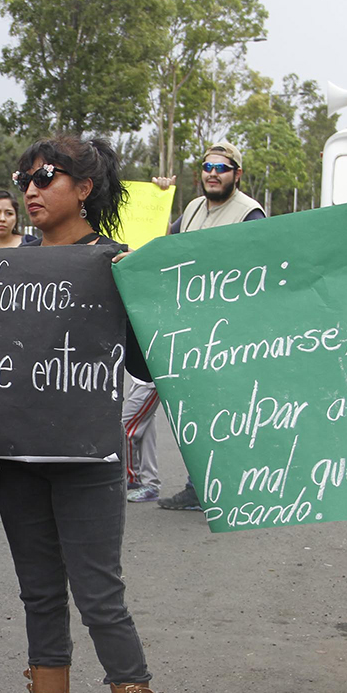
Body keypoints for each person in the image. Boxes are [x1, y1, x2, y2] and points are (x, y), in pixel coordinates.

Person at [0, 135, 164, 693]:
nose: (31, 190)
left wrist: (140, 297)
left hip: (85, 454)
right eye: (25, 179)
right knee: (39, 593)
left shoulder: (111, 264)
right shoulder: (7, 263)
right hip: (18, 458)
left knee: (99, 599)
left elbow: (147, 365)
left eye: (47, 177)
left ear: (84, 189)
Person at [146, 143, 267, 511]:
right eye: (207, 166)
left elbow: (261, 270)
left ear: (237, 174)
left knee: (227, 413)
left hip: (230, 333)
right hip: (194, 329)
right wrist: (158, 200)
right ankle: (199, 487)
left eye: (222, 167)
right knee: (196, 412)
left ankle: (236, 488)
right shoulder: (194, 208)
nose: (213, 173)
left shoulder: (250, 214)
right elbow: (161, 242)